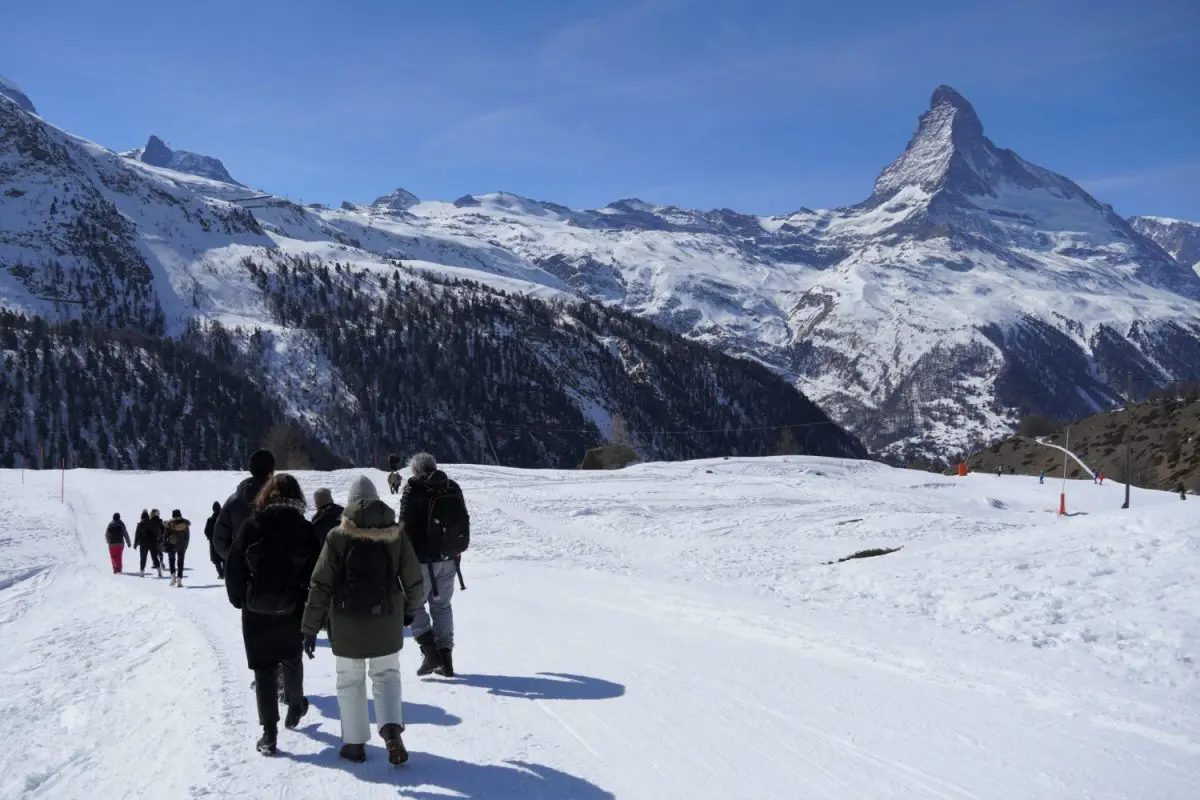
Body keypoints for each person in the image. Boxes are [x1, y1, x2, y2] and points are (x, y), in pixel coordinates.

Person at [302, 476, 424, 764]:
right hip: (386, 621)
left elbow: (320, 585)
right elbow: (415, 581)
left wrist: (309, 628)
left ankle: (354, 744)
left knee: (350, 682)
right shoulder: (395, 534)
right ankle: (392, 731)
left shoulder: (337, 536)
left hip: (346, 623)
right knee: (387, 677)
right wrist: (408, 610)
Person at [225, 473, 320, 756]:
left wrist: (239, 598)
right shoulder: (304, 529)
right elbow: (316, 571)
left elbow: (234, 566)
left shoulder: (252, 525)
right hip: (292, 606)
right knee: (292, 658)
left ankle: (269, 733)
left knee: (264, 670)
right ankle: (294, 705)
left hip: (256, 609)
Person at [400, 452, 470, 678]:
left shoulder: (413, 489)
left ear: (415, 471)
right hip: (449, 558)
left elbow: (404, 527)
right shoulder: (452, 486)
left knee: (413, 605)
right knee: (442, 607)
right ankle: (446, 660)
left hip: (421, 561)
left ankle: (430, 653)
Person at [213, 449, 276, 562]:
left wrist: (237, 559)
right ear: (272, 470)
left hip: (243, 573)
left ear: (251, 469)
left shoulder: (234, 501)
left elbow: (220, 539)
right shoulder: (283, 498)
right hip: (279, 572)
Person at [164, 510, 192, 587]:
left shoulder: (169, 524)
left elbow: (165, 535)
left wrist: (165, 543)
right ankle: (179, 580)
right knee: (180, 562)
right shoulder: (185, 524)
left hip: (172, 545)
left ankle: (173, 578)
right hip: (182, 546)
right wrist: (185, 546)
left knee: (171, 561)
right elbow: (187, 536)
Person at [132, 510, 161, 577]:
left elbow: (137, 535)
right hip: (152, 543)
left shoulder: (140, 524)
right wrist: (158, 539)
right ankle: (159, 571)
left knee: (143, 558)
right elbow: (157, 532)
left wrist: (135, 544)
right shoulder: (152, 523)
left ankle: (142, 572)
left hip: (143, 544)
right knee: (154, 557)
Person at [205, 501, 225, 579]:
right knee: (224, 557)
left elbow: (206, 531)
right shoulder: (224, 518)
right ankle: (224, 572)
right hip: (224, 540)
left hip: (214, 542)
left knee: (216, 560)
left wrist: (210, 538)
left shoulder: (210, 519)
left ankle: (221, 573)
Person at [147, 509, 166, 573]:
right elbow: (164, 530)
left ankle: (155, 563)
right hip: (160, 538)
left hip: (152, 540)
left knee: (154, 553)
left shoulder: (149, 521)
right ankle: (161, 561)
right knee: (160, 551)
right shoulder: (160, 521)